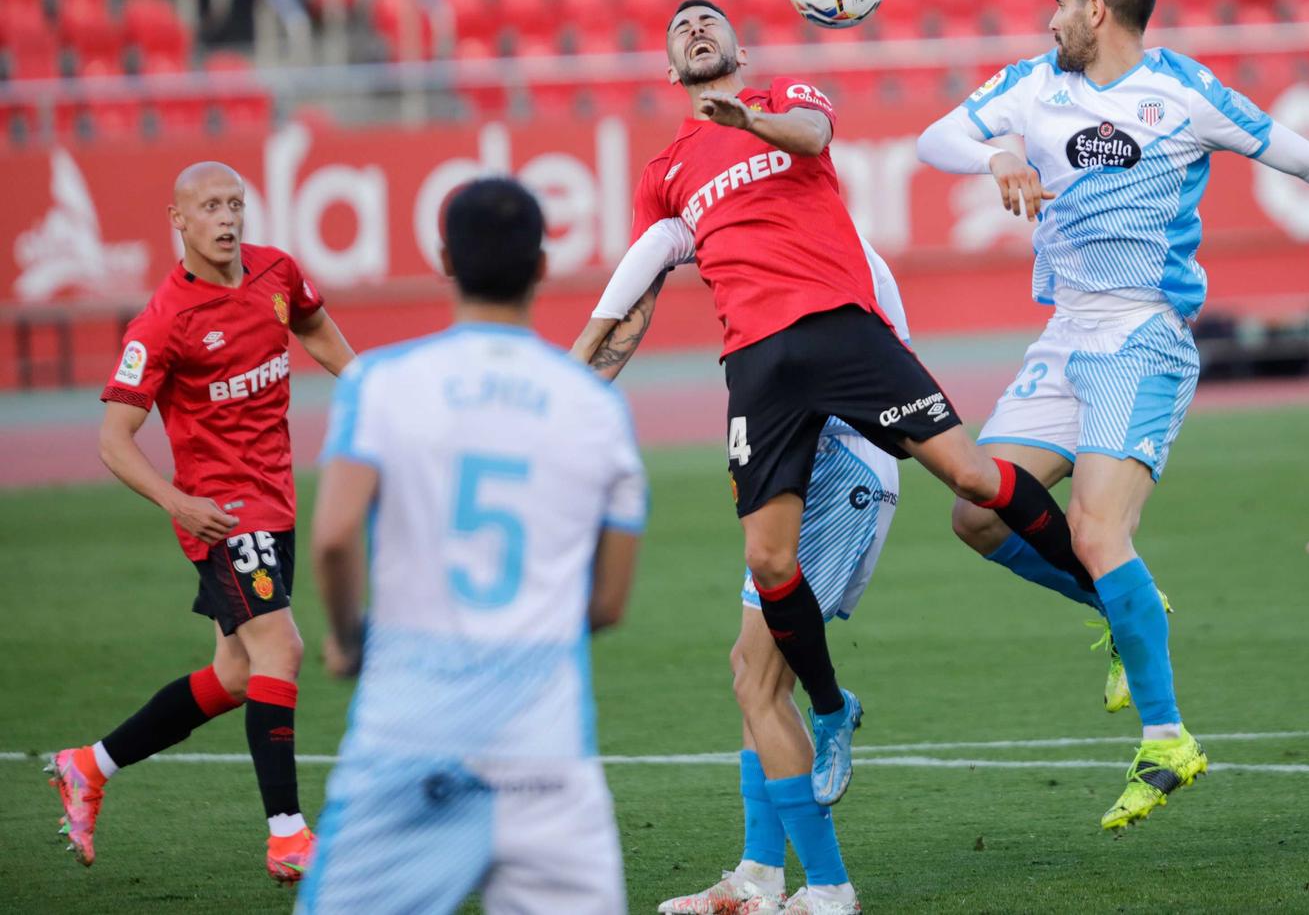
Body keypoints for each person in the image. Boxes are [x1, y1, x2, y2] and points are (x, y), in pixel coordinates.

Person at [914, 0, 1309, 830]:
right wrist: (998, 149)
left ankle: (1166, 739)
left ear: (1099, 13)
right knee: (978, 511)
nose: (1048, 20)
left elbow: (1304, 159)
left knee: (1096, 528)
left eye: (1059, 4)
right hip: (1064, 337)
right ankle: (1126, 608)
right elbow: (935, 139)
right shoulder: (1032, 87)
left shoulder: (1184, 93)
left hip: (1143, 338)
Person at [595, 0, 1095, 812]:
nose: (695, 30)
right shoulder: (664, 174)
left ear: (739, 49)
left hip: (843, 332)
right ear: (668, 63)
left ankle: (1104, 587)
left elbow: (815, 138)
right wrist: (590, 380)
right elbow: (645, 287)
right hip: (756, 364)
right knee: (768, 563)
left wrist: (748, 122)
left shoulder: (787, 101)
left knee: (972, 476)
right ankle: (832, 707)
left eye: (708, 22)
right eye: (679, 27)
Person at [300, 176, 646, 914]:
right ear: (544, 266)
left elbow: (332, 536)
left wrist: (346, 639)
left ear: (443, 260)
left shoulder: (381, 383)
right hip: (545, 756)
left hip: (410, 733)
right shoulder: (596, 407)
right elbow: (609, 603)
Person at [573, 219, 904, 915]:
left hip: (832, 463)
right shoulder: (813, 233)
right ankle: (759, 871)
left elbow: (661, 241)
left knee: (759, 681)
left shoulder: (792, 232)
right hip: (805, 465)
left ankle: (828, 884)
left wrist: (578, 360)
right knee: (750, 672)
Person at [47, 161, 353, 883]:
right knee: (281, 648)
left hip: (274, 501)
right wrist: (178, 502)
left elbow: (316, 328)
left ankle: (88, 765)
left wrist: (375, 382)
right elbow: (114, 439)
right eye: (210, 205)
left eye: (235, 203)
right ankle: (287, 837)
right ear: (177, 219)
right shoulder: (163, 322)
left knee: (238, 672)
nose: (226, 217)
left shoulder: (278, 274)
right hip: (219, 512)